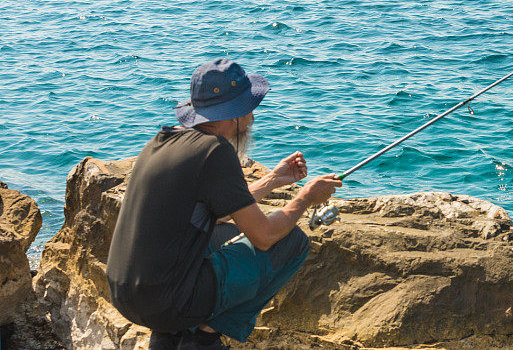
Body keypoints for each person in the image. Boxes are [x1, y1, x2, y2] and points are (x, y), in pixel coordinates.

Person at [106, 58, 342, 349]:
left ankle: (167, 337)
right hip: (165, 300)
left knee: (217, 235)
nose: (252, 116)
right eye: (249, 108)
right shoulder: (215, 151)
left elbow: (214, 215)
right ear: (235, 114)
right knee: (290, 242)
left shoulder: (163, 141)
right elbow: (265, 237)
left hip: (125, 292)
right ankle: (204, 337)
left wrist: (273, 180)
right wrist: (306, 197)